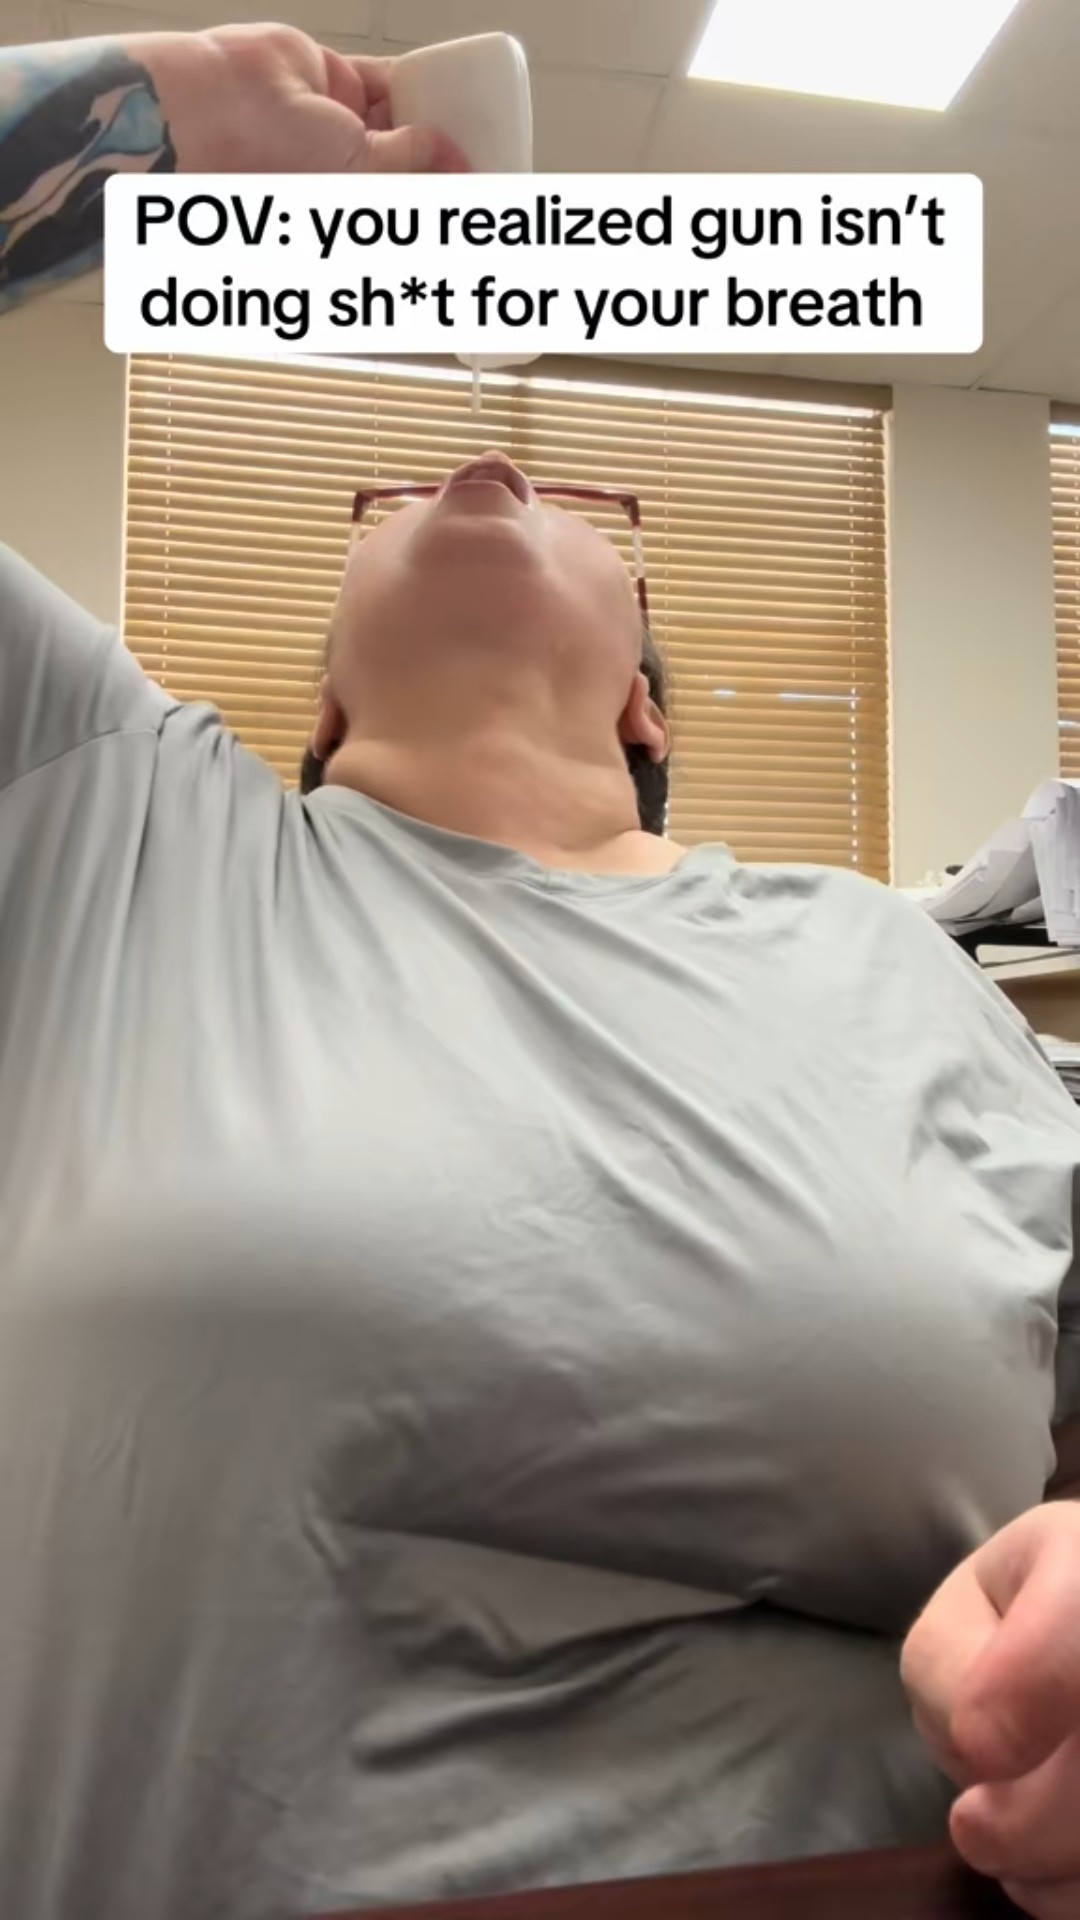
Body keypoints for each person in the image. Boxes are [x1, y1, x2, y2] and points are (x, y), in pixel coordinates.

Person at [0, 21, 1079, 1920]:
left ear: (643, 703)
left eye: (586, 510)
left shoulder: (875, 952)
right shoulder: (117, 820)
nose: (488, 460)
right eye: (395, 496)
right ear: (324, 707)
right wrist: (148, 115)